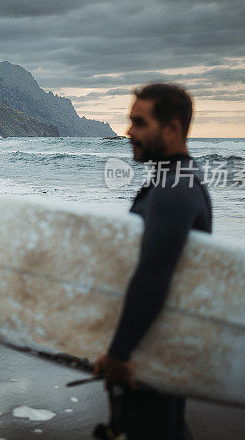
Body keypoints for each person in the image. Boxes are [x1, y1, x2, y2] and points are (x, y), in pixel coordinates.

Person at [93, 83, 212, 439]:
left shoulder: (173, 190)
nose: (129, 132)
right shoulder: (179, 181)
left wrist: (119, 353)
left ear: (172, 128)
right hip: (161, 345)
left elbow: (154, 275)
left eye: (139, 122)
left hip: (152, 348)